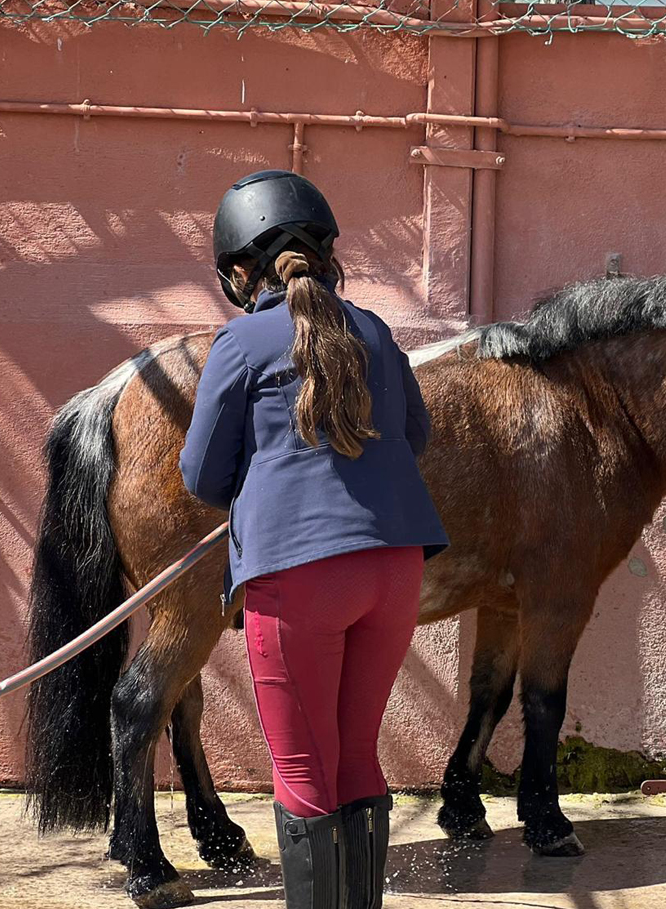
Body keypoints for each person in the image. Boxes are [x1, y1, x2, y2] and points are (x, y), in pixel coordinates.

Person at [180, 169, 448, 909]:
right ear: (328, 255)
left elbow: (203, 475)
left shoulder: (239, 344)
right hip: (393, 570)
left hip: (298, 577)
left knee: (304, 770)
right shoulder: (375, 329)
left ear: (241, 271)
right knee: (358, 755)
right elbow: (414, 436)